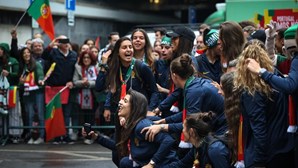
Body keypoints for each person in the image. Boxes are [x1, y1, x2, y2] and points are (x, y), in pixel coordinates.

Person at [142, 54, 227, 159]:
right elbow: (187, 113)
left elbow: (191, 123)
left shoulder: (193, 90)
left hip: (220, 132)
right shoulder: (193, 84)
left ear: (174, 76)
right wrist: (164, 121)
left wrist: (162, 127)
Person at [235, 39, 295, 167]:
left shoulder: (252, 92)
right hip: (285, 148)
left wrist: (258, 162)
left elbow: (259, 129)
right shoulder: (277, 80)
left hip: (267, 155)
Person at [42, 35, 77, 144]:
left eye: (67, 41)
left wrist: (73, 81)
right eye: (62, 41)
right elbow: (44, 57)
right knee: (56, 113)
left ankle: (65, 135)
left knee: (66, 113)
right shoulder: (53, 53)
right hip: (54, 88)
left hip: (67, 88)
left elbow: (75, 70)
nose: (66, 43)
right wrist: (50, 46)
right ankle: (57, 136)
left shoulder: (74, 55)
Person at [167, 112, 232, 168]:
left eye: (183, 128)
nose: (182, 131)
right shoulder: (198, 146)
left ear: (191, 132)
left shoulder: (215, 149)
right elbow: (181, 165)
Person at [18, 47, 45, 144]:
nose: (26, 54)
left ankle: (41, 136)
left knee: (40, 114)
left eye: (28, 52)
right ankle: (31, 136)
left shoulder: (36, 64)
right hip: (27, 92)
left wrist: (41, 81)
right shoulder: (22, 66)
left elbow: (40, 75)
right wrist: (21, 82)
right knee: (30, 115)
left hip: (38, 91)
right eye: (24, 53)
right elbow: (20, 82)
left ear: (31, 54)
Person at [73, 50, 99, 144]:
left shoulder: (96, 67)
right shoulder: (78, 67)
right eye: (84, 57)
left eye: (88, 57)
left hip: (93, 95)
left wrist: (88, 83)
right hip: (81, 96)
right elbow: (75, 81)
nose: (86, 59)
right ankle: (83, 135)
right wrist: (82, 83)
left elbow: (99, 82)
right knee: (82, 117)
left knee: (91, 117)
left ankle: (90, 136)